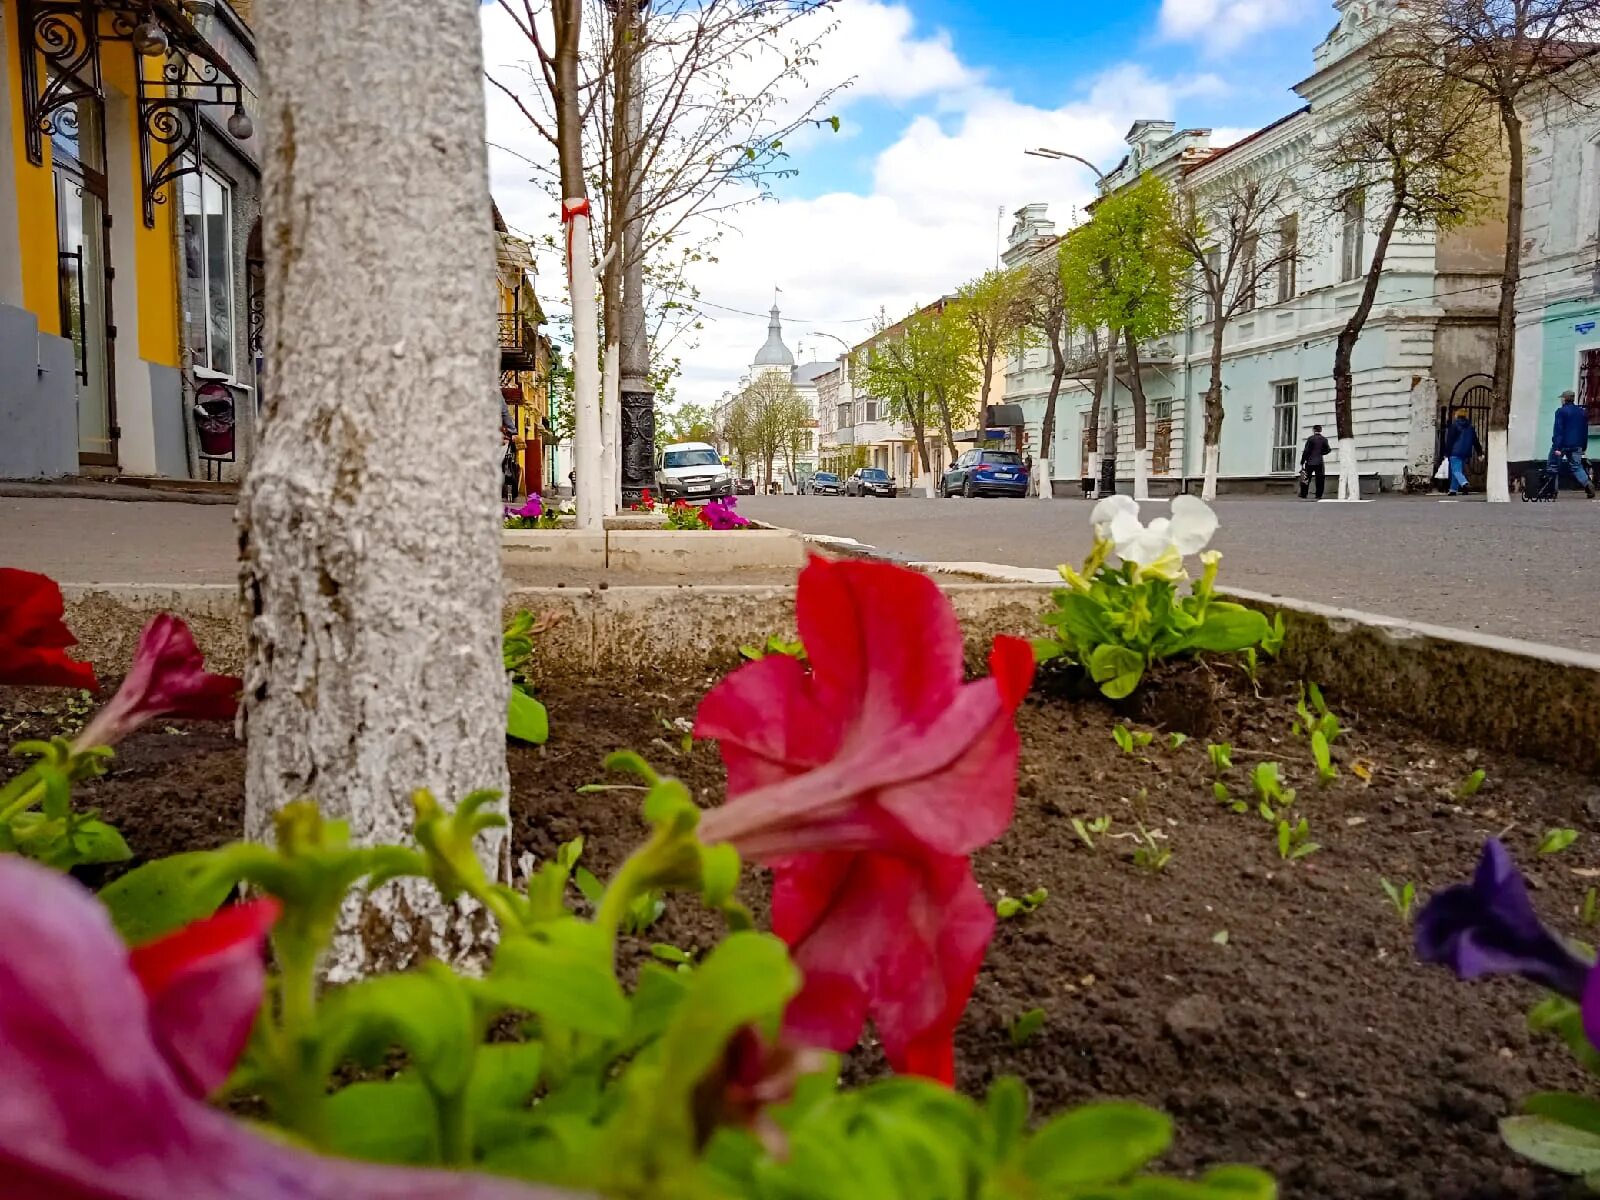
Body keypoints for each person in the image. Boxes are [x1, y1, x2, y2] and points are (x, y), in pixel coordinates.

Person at [1549, 390, 1595, 499]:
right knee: (1577, 466)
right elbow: (1585, 431)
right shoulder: (1582, 412)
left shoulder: (1560, 412)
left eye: (1562, 398)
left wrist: (1557, 447)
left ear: (1564, 399)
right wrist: (1583, 446)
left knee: (1553, 466)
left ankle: (1552, 491)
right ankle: (1588, 484)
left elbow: (1559, 430)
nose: (1561, 400)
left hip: (1562, 444)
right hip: (1577, 445)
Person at [1442, 408, 1483, 497]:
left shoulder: (1454, 426)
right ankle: (1453, 490)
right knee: (1456, 471)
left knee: (1456, 470)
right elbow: (1475, 440)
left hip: (1455, 451)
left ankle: (1464, 483)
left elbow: (1450, 441)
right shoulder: (1470, 427)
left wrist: (1446, 453)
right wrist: (1480, 452)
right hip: (1466, 452)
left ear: (1456, 415)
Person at [1299, 424, 1330, 500]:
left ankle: (1303, 494)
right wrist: (1321, 453)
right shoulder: (1324, 439)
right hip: (1319, 462)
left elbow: (1306, 451)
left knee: (1306, 478)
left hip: (1310, 461)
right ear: (1321, 430)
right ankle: (1318, 495)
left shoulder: (1310, 439)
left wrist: (1302, 461)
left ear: (1313, 430)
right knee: (1319, 479)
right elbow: (1328, 450)